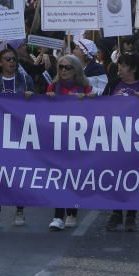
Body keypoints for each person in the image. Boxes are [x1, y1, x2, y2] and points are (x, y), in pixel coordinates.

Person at [0, 46, 34, 230]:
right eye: (8, 59)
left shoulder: (26, 80)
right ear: (0, 63)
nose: (12, 62)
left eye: (14, 59)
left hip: (20, 133)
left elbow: (36, 107)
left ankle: (20, 210)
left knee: (19, 172)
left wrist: (31, 97)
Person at [103, 53, 139, 232]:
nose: (119, 68)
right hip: (116, 140)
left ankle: (131, 215)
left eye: (123, 65)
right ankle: (116, 213)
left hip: (138, 141)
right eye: (119, 65)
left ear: (133, 68)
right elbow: (100, 107)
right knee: (116, 176)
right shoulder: (112, 85)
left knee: (133, 177)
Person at [45, 55, 94, 231]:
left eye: (67, 67)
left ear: (76, 70)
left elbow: (95, 113)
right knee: (59, 176)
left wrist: (89, 100)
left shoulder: (84, 87)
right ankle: (58, 216)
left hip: (77, 139)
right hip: (58, 138)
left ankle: (72, 211)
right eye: (60, 67)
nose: (63, 70)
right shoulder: (53, 86)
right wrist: (46, 98)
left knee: (72, 176)